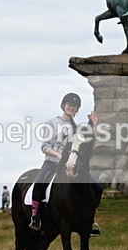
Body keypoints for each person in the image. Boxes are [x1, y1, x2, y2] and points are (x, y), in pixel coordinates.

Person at [29, 92, 103, 236]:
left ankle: (91, 220)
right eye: (69, 104)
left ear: (77, 110)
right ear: (63, 105)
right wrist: (58, 155)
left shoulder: (77, 128)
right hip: (52, 162)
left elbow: (90, 143)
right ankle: (35, 217)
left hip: (70, 164)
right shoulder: (51, 122)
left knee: (97, 188)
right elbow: (44, 146)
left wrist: (94, 125)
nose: (71, 107)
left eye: (74, 106)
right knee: (39, 182)